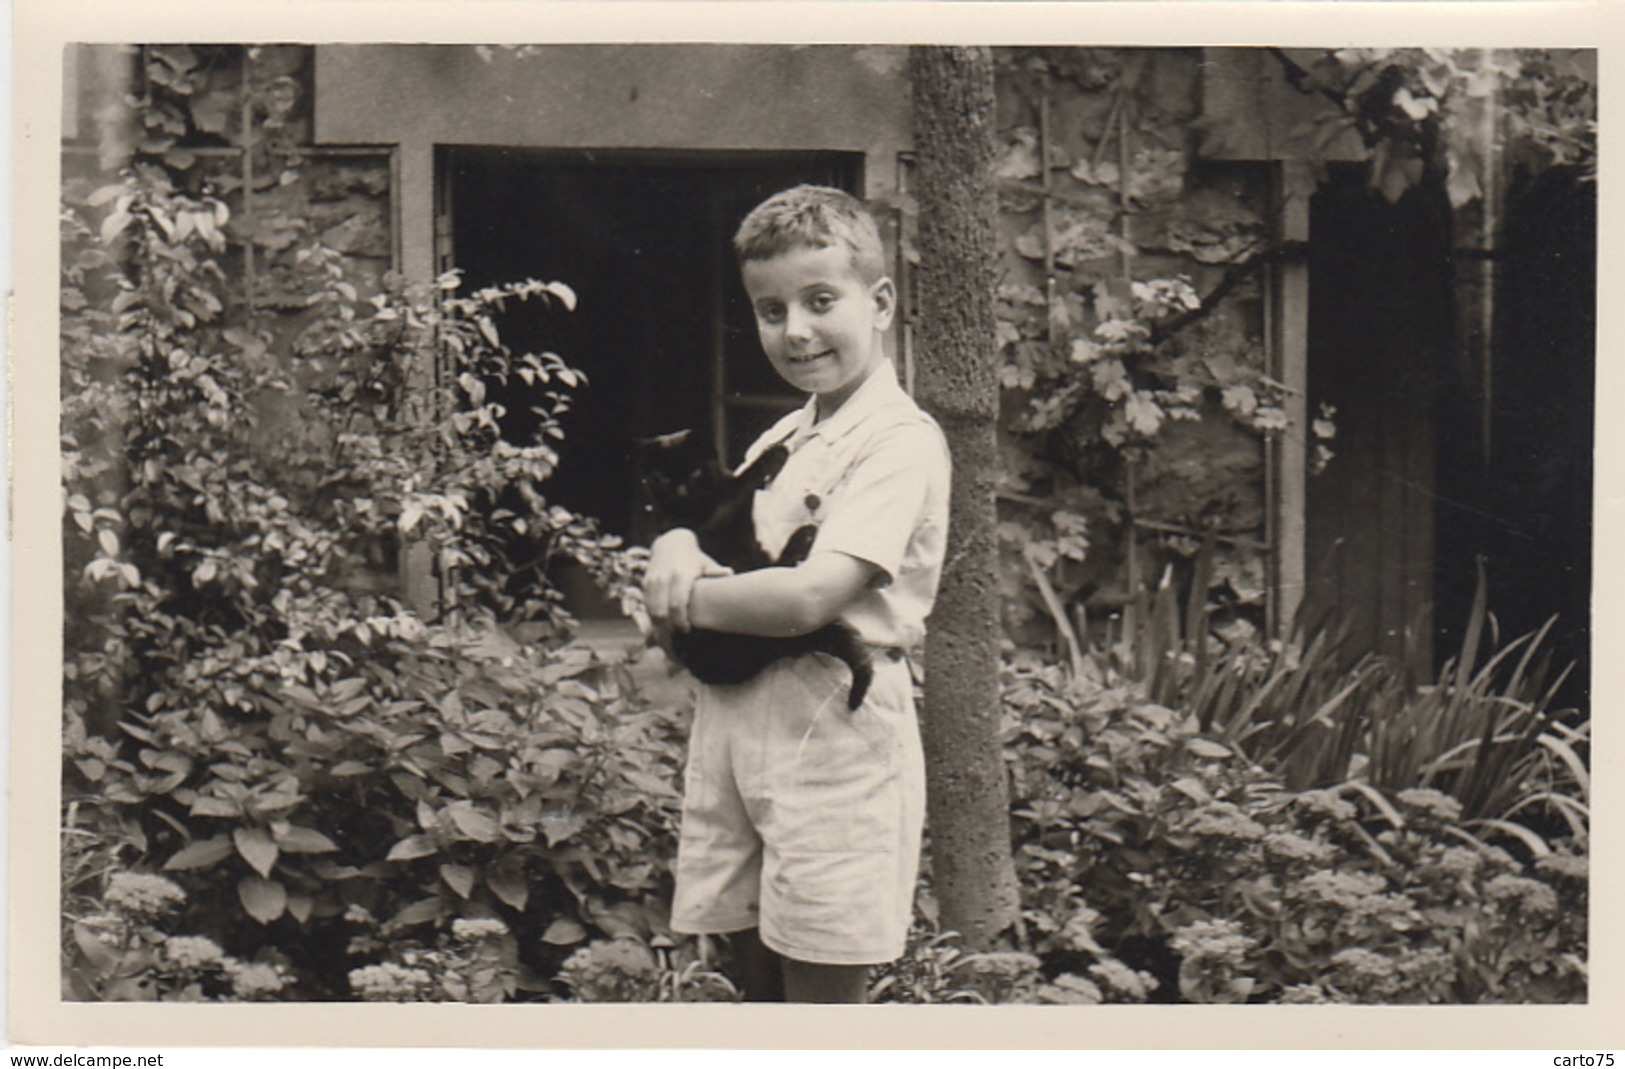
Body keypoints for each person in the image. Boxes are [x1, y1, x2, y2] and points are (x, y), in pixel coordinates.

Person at [642, 184, 951, 1003]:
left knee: (820, 989)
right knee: (748, 978)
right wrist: (677, 544)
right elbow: (716, 534)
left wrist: (679, 598)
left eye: (820, 301)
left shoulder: (898, 442)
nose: (796, 330)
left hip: (835, 728)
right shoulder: (786, 434)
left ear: (879, 301)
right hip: (742, 721)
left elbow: (811, 595)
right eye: (770, 309)